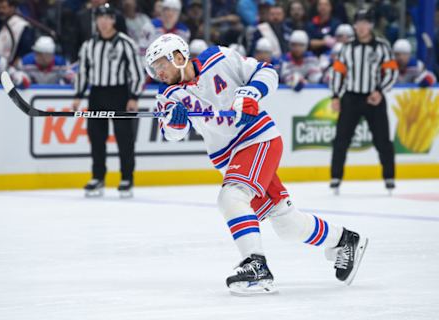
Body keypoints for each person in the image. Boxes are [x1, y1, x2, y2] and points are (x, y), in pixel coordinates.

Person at [145, 33, 368, 295]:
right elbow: (172, 133)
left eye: (161, 64)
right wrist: (176, 121)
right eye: (154, 68)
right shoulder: (167, 94)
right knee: (287, 225)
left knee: (231, 196)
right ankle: (345, 240)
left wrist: (250, 93)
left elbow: (266, 72)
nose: (158, 72)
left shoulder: (219, 57)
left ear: (179, 56)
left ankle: (256, 266)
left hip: (256, 139)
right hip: (231, 158)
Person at [72, 4, 145, 198]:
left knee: (124, 139)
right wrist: (78, 95)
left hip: (119, 94)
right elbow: (83, 72)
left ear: (113, 20)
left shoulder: (125, 43)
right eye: (99, 18)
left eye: (107, 18)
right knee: (96, 138)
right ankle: (98, 177)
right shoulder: (89, 45)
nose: (103, 22)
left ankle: (126, 178)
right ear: (95, 21)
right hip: (96, 94)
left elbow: (137, 72)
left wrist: (134, 96)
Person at [330, 9, 398, 193]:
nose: (361, 27)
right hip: (351, 97)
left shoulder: (382, 47)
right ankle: (336, 177)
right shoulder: (347, 48)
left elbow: (392, 72)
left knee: (383, 140)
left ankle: (389, 177)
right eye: (358, 23)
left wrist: (380, 91)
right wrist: (335, 95)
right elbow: (337, 72)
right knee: (341, 139)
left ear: (371, 25)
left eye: (365, 23)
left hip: (374, 98)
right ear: (354, 25)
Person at [0, 0, 35, 64]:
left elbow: (26, 49)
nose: (0, 11)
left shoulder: (23, 26)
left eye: (4, 8)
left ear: (12, 8)